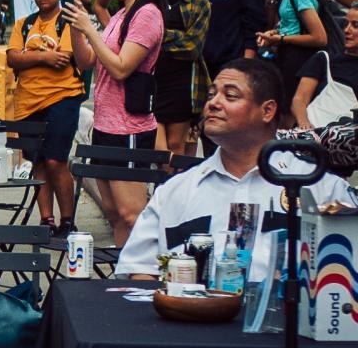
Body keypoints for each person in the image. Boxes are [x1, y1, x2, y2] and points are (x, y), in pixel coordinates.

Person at [118, 59, 353, 280]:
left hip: (285, 320)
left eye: (230, 96)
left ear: (267, 111)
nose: (213, 103)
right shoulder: (174, 190)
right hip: (192, 318)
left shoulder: (321, 186)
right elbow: (138, 269)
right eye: (211, 94)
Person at [64, 0, 167, 246]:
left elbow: (121, 68)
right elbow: (87, 62)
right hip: (105, 125)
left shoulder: (148, 15)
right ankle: (122, 278)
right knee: (113, 212)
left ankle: (138, 279)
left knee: (131, 213)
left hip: (129, 129)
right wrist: (76, 26)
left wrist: (91, 30)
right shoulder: (122, 13)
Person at [5, 0, 87, 236]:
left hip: (62, 96)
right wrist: (44, 57)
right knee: (37, 162)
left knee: (56, 160)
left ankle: (67, 220)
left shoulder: (67, 21)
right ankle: (46, 219)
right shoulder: (24, 25)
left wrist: (31, 59)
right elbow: (12, 57)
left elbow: (64, 59)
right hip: (27, 100)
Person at [256, 0, 328, 122]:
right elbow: (291, 23)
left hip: (298, 63)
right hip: (289, 60)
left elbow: (319, 37)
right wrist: (274, 33)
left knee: (287, 123)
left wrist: (281, 38)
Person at [156, 0, 213, 156]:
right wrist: (174, 37)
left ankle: (174, 187)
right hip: (153, 81)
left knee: (175, 146)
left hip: (183, 83)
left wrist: (159, 38)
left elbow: (192, 47)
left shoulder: (199, 3)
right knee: (157, 148)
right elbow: (141, 40)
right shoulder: (151, 1)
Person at [295, 2, 358, 126]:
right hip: (314, 134)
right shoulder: (323, 59)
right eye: (346, 24)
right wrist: (304, 123)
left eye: (355, 25)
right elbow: (300, 99)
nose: (346, 30)